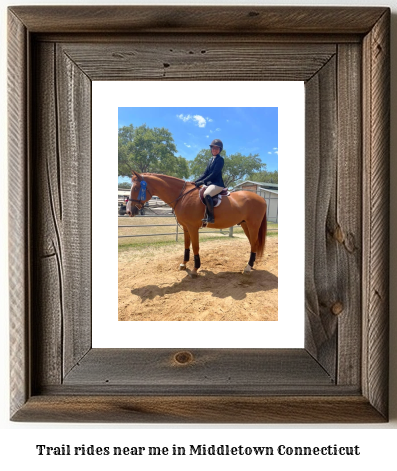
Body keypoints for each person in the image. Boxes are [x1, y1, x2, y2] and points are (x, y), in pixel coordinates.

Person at [194, 139, 225, 224]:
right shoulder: (210, 160)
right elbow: (205, 173)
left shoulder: (220, 160)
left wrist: (202, 182)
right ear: (211, 149)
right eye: (213, 148)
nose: (214, 150)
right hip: (210, 184)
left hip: (217, 184)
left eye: (217, 148)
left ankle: (211, 217)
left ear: (219, 150)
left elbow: (214, 174)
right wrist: (195, 181)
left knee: (206, 194)